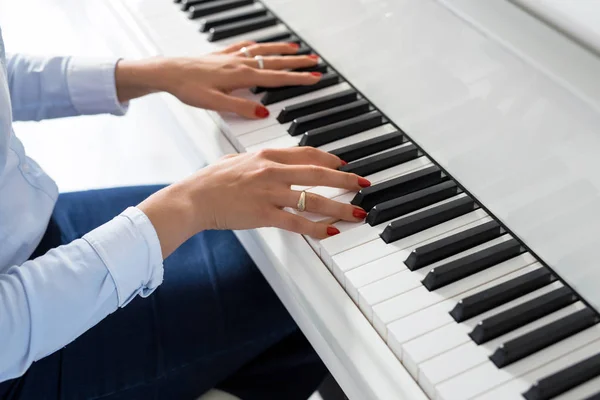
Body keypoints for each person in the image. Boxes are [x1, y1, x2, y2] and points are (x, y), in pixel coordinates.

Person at [0, 22, 371, 400]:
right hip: (20, 354)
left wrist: (157, 72)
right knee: (318, 298)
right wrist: (192, 203)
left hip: (33, 227)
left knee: (292, 255)